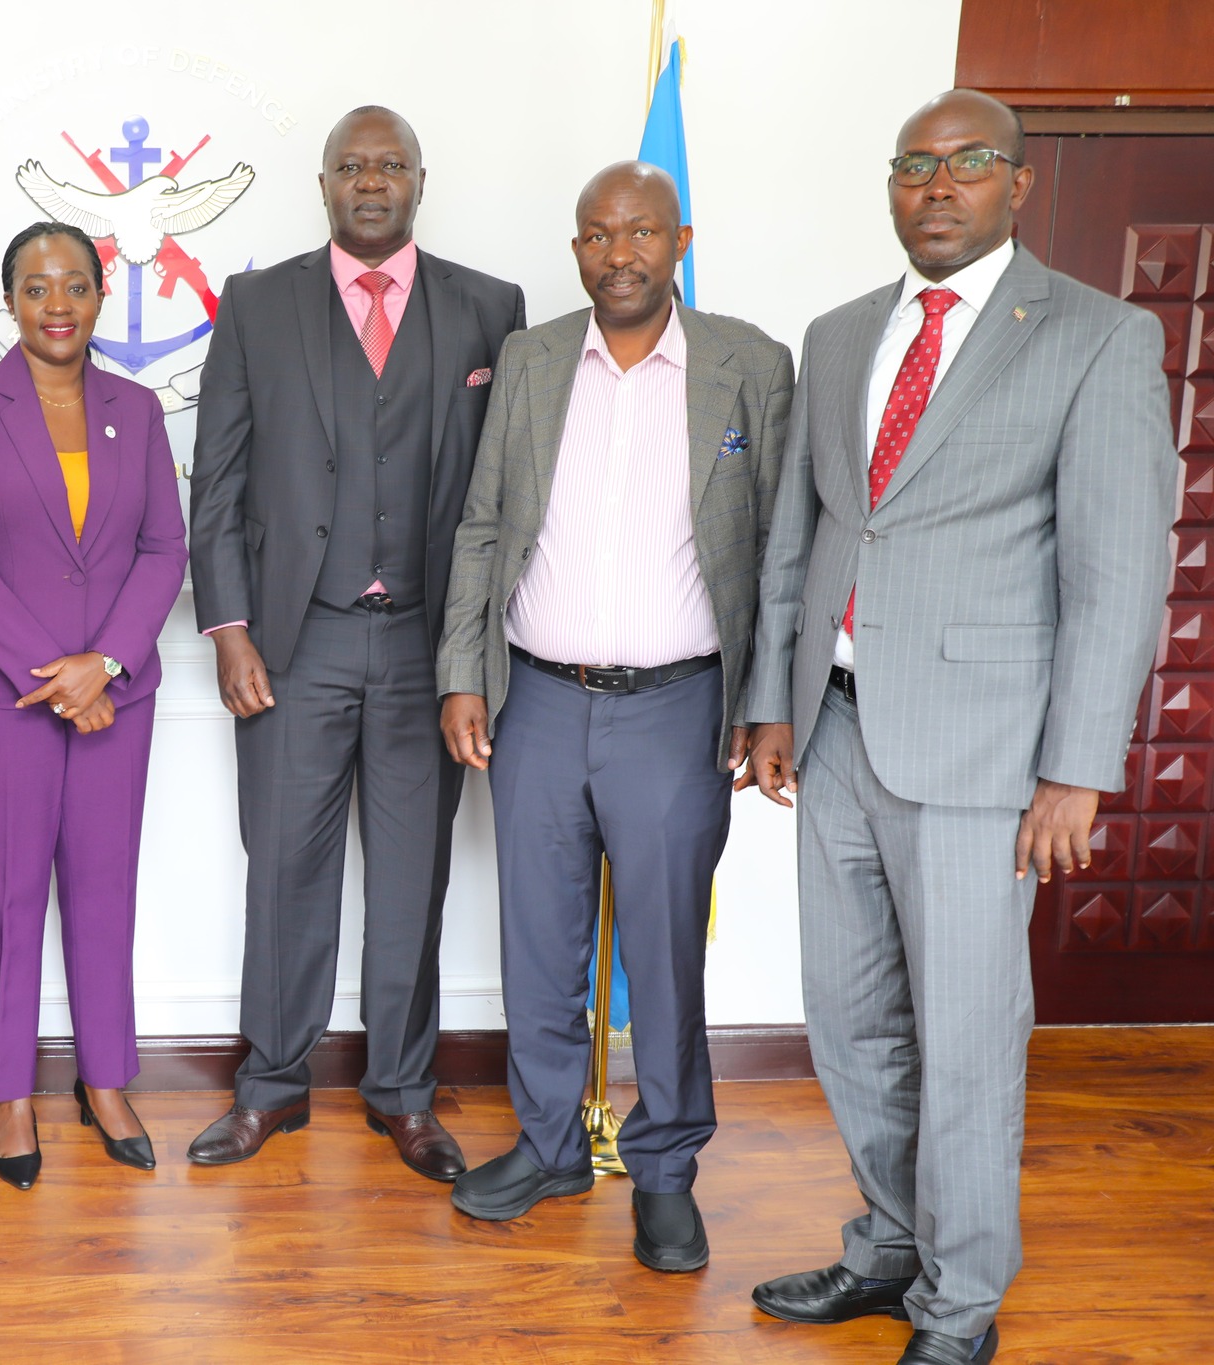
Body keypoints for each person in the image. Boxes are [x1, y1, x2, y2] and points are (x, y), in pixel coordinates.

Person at [744, 91, 1174, 1365]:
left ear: (1016, 184)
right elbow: (800, 536)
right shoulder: (837, 336)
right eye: (912, 166)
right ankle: (888, 1248)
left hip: (983, 753)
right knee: (850, 1023)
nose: (935, 186)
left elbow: (1115, 571)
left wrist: (1074, 770)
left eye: (966, 163)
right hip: (831, 734)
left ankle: (960, 1300)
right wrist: (769, 701)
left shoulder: (1094, 336)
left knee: (967, 1041)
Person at [435, 163, 794, 1267]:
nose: (618, 253)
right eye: (597, 235)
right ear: (577, 250)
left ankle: (665, 1170)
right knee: (538, 943)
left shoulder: (749, 364)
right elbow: (484, 523)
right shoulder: (533, 359)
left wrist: (766, 703)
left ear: (679, 239)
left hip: (677, 710)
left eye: (640, 231)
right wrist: (461, 671)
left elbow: (779, 548)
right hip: (536, 700)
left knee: (664, 949)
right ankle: (548, 1146)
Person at [185, 107, 524, 1177]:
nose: (370, 181)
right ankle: (271, 1087)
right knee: (285, 870)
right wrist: (229, 628)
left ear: (420, 180)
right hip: (296, 644)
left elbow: (504, 492)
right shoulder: (256, 304)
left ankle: (404, 1094)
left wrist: (476, 653)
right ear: (323, 183)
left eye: (389, 166)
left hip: (431, 649)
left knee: (412, 880)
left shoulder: (489, 308)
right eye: (350, 166)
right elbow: (217, 479)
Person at [0, 221, 188, 1189]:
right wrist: (60, 674)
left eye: (75, 284)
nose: (58, 303)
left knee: (104, 890)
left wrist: (105, 664)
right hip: (4, 698)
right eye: (37, 288)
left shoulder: (137, 408)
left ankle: (105, 1079)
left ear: (99, 296)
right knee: (10, 894)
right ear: (10, 302)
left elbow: (164, 548)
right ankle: (8, 1092)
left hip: (118, 691)